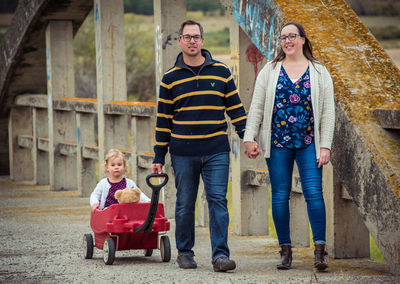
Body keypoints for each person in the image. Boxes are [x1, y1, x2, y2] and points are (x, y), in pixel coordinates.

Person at [151, 20, 246, 272]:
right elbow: (163, 121)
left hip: (216, 149)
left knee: (218, 200)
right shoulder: (169, 79)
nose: (192, 41)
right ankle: (185, 252)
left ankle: (220, 256)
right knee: (185, 202)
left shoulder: (221, 71)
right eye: (187, 36)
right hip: (182, 152)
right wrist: (159, 155)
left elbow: (236, 108)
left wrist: (247, 136)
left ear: (202, 40)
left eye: (196, 36)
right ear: (180, 41)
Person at [244, 22, 335, 271]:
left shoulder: (319, 71)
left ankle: (320, 251)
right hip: (277, 143)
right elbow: (257, 106)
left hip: (309, 143)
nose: (287, 41)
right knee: (280, 196)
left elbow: (328, 112)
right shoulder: (270, 70)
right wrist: (250, 138)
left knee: (314, 193)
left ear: (303, 40)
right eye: (283, 37)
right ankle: (285, 251)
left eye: (292, 36)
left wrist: (325, 146)